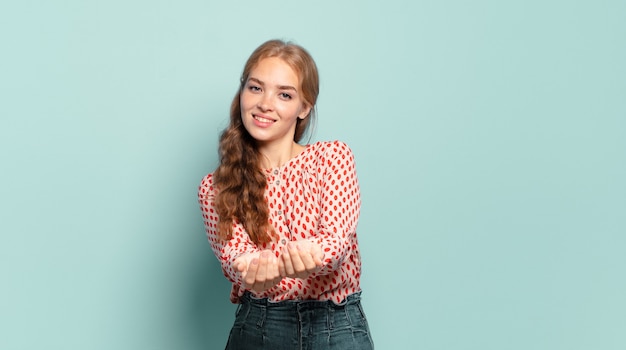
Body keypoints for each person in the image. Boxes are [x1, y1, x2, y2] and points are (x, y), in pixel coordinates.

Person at [198, 39, 374, 350]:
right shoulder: (216, 187)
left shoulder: (332, 158)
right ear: (241, 93)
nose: (265, 103)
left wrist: (269, 265)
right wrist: (252, 268)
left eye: (284, 94)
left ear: (303, 107)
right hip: (260, 328)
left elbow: (333, 246)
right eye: (255, 88)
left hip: (336, 326)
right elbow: (235, 259)